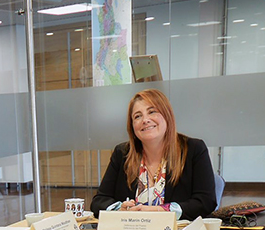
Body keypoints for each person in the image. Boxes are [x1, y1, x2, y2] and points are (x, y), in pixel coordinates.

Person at [90, 89, 217, 221]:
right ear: (132, 126)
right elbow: (99, 201)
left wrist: (160, 210)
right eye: (137, 116)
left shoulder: (193, 149)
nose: (145, 120)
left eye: (152, 112)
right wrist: (119, 209)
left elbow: (206, 202)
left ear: (167, 115)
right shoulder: (122, 153)